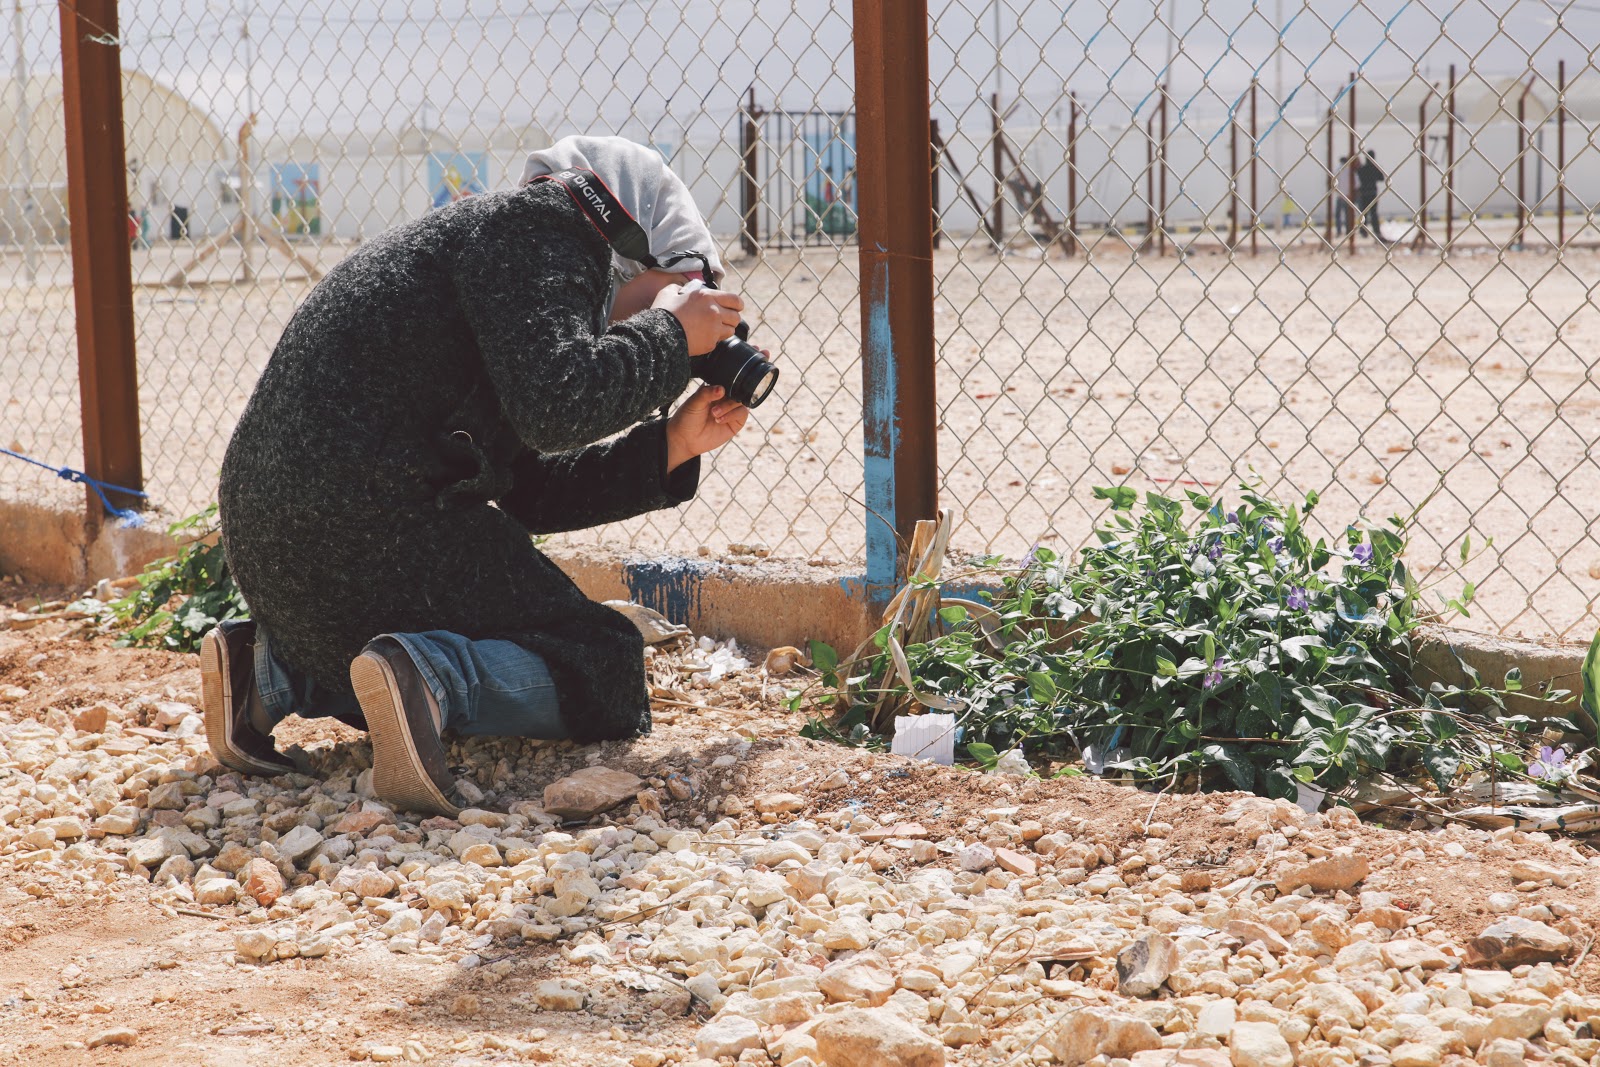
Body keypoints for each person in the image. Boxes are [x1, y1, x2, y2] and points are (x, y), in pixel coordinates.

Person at [202, 136, 753, 816]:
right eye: (684, 293)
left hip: (279, 537)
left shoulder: (501, 255)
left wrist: (672, 443)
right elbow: (560, 407)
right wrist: (670, 334)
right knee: (603, 657)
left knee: (491, 612)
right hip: (368, 520)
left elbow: (531, 489)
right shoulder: (546, 230)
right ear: (634, 246)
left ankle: (270, 674)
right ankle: (433, 680)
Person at [1355, 149, 1388, 244]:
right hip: (1372, 193)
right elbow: (1381, 178)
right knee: (1374, 213)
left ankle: (1363, 232)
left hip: (1363, 193)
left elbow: (1358, 177)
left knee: (1363, 213)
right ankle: (1376, 231)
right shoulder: (1375, 168)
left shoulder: (1362, 168)